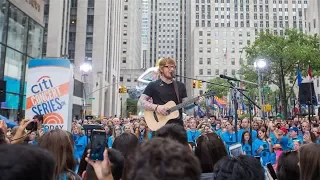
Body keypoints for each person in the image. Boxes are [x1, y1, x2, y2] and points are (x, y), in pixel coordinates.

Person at [138, 57, 188, 126]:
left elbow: (186, 106)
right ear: (161, 69)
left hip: (178, 127)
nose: (172, 69)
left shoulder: (181, 86)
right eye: (169, 67)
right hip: (160, 127)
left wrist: (195, 103)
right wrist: (156, 107)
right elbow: (140, 102)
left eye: (174, 67)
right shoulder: (153, 85)